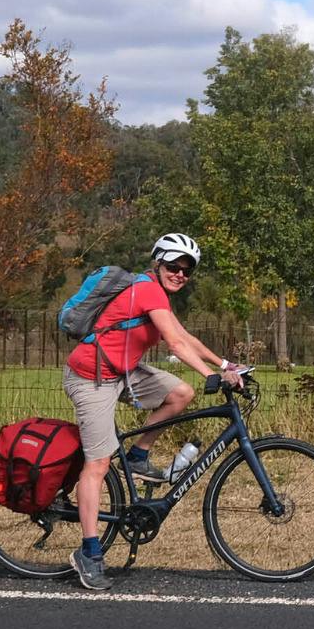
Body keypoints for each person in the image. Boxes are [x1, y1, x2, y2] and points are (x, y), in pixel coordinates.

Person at [62, 232, 244, 590]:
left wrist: (225, 364)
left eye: (186, 271)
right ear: (158, 263)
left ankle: (137, 456)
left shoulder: (156, 295)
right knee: (97, 464)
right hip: (92, 377)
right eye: (173, 266)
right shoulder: (146, 289)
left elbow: (183, 336)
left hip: (123, 373)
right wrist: (212, 376)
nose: (180, 274)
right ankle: (89, 552)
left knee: (180, 393)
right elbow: (175, 343)